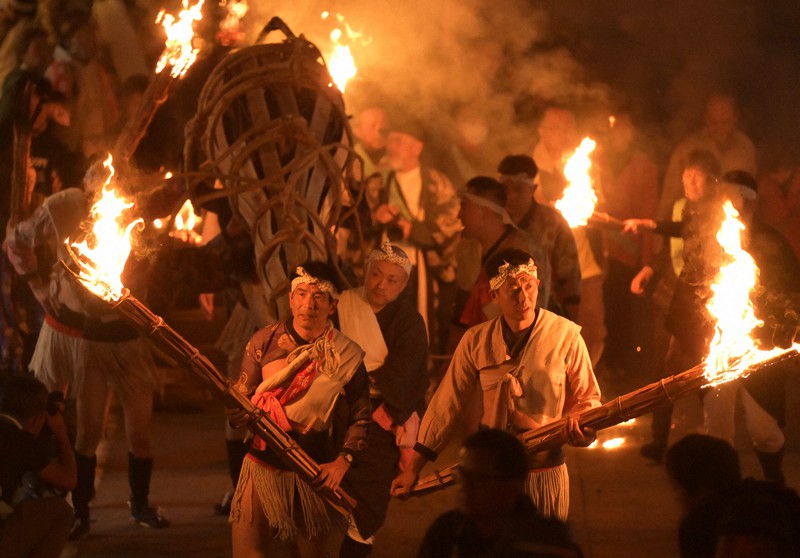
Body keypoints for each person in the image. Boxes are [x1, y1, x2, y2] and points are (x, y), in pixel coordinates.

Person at [6, 160, 171, 539]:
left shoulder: (134, 223)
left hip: (127, 342)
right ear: (86, 191)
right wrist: (37, 285)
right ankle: (77, 511)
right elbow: (17, 240)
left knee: (140, 432)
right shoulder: (64, 207)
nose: (104, 197)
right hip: (87, 339)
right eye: (96, 190)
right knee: (84, 431)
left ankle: (139, 504)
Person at [391, 248, 601, 521]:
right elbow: (446, 404)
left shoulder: (566, 335)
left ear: (538, 285)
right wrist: (413, 469)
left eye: (528, 286)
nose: (523, 296)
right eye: (513, 288)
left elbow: (589, 399)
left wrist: (580, 426)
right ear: (493, 296)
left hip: (543, 469)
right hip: (490, 473)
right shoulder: (476, 340)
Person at [225, 262, 371, 558]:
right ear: (290, 300)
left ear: (333, 306)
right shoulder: (263, 341)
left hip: (312, 467)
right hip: (262, 464)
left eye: (318, 296)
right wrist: (237, 413)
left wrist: (342, 462)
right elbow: (241, 398)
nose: (308, 304)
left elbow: (361, 416)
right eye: (301, 294)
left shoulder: (346, 354)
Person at [626, 149, 727, 462]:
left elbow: (689, 234)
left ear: (711, 181)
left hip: (706, 298)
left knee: (703, 370)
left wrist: (651, 225)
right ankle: (662, 442)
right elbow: (679, 237)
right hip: (684, 294)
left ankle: (716, 441)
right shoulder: (687, 207)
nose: (689, 184)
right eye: (686, 177)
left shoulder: (719, 212)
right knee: (671, 367)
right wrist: (650, 246)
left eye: (696, 178)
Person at [702, 170, 800, 485]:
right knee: (717, 427)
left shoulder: (771, 243)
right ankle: (721, 490)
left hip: (762, 346)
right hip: (718, 346)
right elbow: (694, 285)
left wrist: (789, 336)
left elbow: (792, 292)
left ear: (750, 205)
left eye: (734, 199)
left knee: (765, 430)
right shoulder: (712, 240)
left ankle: (775, 482)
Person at [337, 241, 428, 556]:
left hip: (378, 423)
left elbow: (407, 376)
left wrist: (363, 386)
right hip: (334, 413)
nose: (380, 285)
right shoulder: (342, 306)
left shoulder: (409, 322)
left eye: (392, 280)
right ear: (365, 272)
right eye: (376, 274)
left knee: (368, 504)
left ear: (403, 286)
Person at [371, 115, 461, 354]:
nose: (391, 147)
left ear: (417, 147)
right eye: (390, 141)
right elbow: (357, 225)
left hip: (420, 271)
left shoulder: (436, 183)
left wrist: (412, 229)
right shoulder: (378, 181)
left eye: (399, 141)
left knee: (418, 332)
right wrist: (375, 218)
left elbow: (451, 227)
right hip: (382, 269)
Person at [417, 429, 582, 558]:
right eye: (462, 475)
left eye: (480, 478)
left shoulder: (546, 544)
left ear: (513, 486)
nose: (465, 486)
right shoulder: (446, 531)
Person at [531, 106, 606, 365]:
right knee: (554, 332)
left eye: (565, 128)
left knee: (594, 330)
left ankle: (584, 390)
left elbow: (597, 202)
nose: (561, 134)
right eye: (554, 127)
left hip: (586, 262)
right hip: (551, 266)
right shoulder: (532, 168)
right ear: (542, 131)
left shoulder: (581, 163)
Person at [596, 111, 660, 382]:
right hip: (594, 253)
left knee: (619, 313)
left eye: (624, 127)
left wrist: (646, 262)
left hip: (625, 256)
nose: (617, 133)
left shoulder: (643, 167)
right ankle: (599, 366)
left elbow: (648, 218)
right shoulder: (593, 160)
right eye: (613, 126)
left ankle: (620, 369)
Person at [665, 433, 800, 558]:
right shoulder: (782, 496)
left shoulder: (697, 526)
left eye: (675, 488)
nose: (677, 498)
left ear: (699, 488)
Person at [454, 176, 550, 334]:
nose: (459, 215)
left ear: (485, 211)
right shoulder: (467, 249)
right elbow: (461, 306)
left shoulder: (525, 250)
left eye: (464, 207)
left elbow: (535, 308)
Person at [0, 374, 76, 558]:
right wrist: (60, 433)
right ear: (37, 418)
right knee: (60, 511)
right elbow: (69, 480)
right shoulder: (21, 441)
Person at [498, 154, 581, 320]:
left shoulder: (553, 223)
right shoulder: (493, 222)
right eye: (506, 188)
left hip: (545, 314)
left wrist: (570, 322)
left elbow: (570, 276)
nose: (511, 196)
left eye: (519, 189)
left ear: (533, 189)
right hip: (499, 313)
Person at [657, 93, 757, 221]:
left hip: (734, 231)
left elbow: (752, 196)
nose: (719, 128)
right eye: (714, 122)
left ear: (735, 118)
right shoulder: (686, 150)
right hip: (693, 230)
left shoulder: (746, 149)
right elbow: (667, 200)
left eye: (725, 122)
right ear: (705, 119)